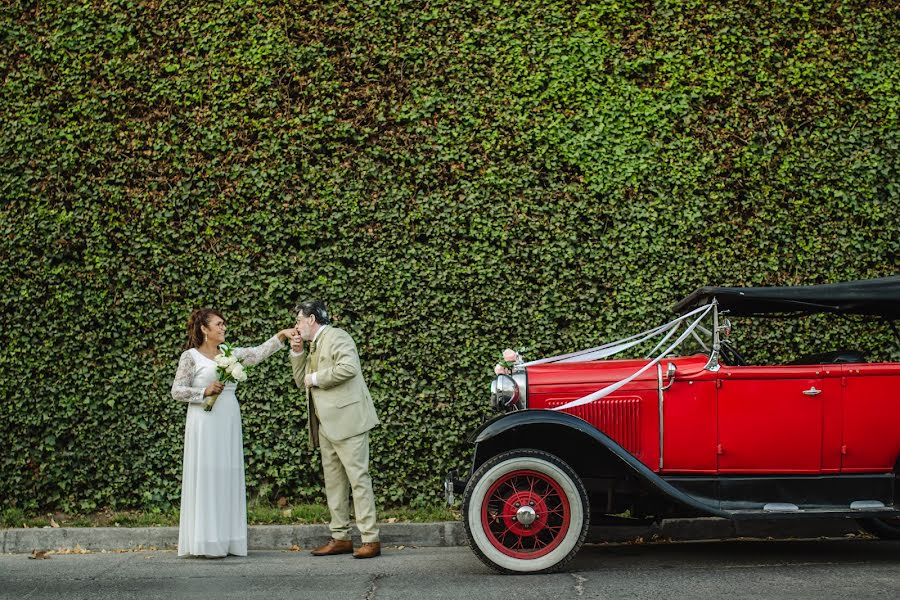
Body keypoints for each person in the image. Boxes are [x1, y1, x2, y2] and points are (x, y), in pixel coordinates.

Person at [171, 308, 296, 558]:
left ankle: (227, 540)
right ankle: (205, 540)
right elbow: (177, 391)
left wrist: (281, 336)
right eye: (218, 325)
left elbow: (258, 353)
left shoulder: (230, 353)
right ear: (204, 329)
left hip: (228, 416)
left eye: (224, 324)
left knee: (226, 472)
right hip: (203, 421)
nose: (223, 328)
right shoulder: (190, 356)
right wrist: (203, 392)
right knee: (206, 474)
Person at [290, 300, 381, 559]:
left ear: (311, 319)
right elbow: (300, 382)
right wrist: (296, 352)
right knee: (334, 483)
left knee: (358, 480)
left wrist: (315, 378)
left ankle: (370, 539)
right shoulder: (312, 345)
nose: (296, 326)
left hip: (348, 421)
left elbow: (349, 368)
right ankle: (340, 537)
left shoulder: (337, 336)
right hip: (326, 424)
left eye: (298, 320)